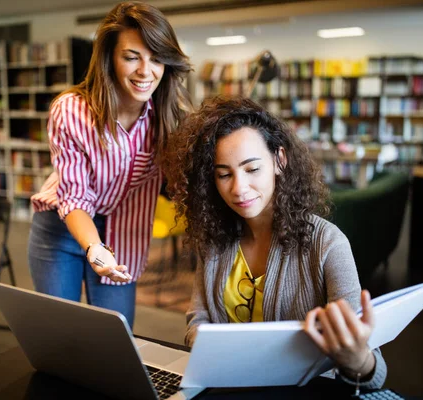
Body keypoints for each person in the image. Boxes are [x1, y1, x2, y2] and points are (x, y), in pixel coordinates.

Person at [162, 96, 386, 389]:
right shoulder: (214, 238)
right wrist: (212, 349)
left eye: (252, 169)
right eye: (224, 174)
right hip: (227, 384)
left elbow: (372, 371)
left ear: (279, 160)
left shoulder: (328, 243)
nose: (239, 188)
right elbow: (197, 318)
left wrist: (358, 360)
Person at [28, 1, 192, 328]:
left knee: (115, 337)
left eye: (157, 58)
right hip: (62, 230)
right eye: (131, 57)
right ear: (110, 59)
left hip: (125, 232)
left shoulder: (171, 117)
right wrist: (94, 247)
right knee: (60, 333)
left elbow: (178, 185)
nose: (146, 71)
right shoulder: (72, 111)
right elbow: (74, 198)